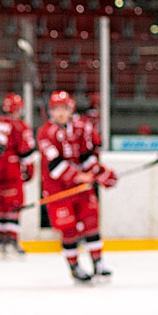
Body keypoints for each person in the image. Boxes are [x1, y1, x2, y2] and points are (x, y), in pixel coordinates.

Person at [36, 91, 118, 282]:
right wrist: (81, 176)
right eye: (56, 109)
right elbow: (55, 166)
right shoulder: (45, 133)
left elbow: (86, 156)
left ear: (70, 108)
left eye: (63, 108)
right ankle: (74, 267)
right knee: (69, 230)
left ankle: (98, 263)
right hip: (58, 192)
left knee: (91, 223)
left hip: (82, 190)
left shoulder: (81, 127)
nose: (60, 113)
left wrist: (100, 172)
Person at [0, 93, 37, 256]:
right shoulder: (20, 125)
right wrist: (30, 171)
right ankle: (12, 238)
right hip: (11, 169)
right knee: (13, 204)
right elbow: (26, 152)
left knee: (0, 205)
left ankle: (1, 239)